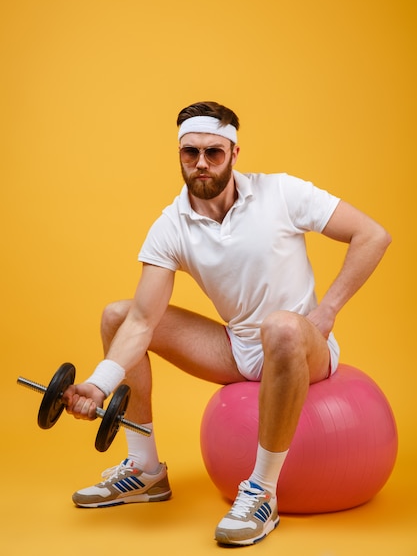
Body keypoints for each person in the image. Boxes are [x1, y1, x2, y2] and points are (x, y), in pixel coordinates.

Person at [64, 101, 391, 547]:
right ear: (179, 154)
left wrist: (327, 312)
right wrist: (98, 386)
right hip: (238, 348)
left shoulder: (281, 193)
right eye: (190, 152)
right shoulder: (170, 225)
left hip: (302, 345)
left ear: (235, 153)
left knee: (281, 326)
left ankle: (262, 491)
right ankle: (144, 469)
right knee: (117, 314)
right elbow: (142, 321)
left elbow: (373, 234)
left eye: (213, 152)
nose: (201, 163)